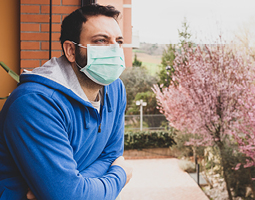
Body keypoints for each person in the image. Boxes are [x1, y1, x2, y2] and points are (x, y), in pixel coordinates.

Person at [0, 4, 132, 200]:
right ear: (71, 50)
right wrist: (121, 174)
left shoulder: (115, 89)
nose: (113, 49)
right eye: (101, 41)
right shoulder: (35, 103)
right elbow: (70, 196)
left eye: (118, 41)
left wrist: (66, 187)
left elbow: (112, 156)